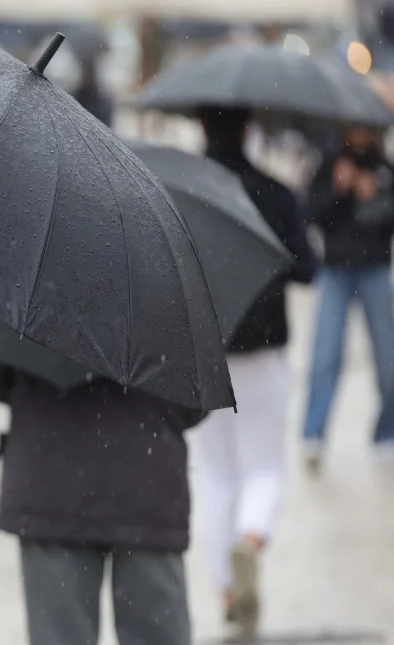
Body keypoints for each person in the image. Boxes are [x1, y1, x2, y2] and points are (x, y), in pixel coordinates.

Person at [194, 107, 318, 639]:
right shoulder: (275, 193)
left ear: (201, 128)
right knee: (264, 468)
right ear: (248, 129)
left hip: (203, 352)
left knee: (214, 475)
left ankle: (225, 588)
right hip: (263, 349)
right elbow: (308, 270)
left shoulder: (182, 193)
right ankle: (251, 539)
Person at [0, 368, 205, 645]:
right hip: (144, 480)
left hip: (51, 479)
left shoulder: (34, 327)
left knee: (59, 635)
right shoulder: (171, 328)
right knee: (156, 631)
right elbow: (198, 395)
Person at [302, 125, 394, 467]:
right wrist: (339, 189)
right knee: (325, 356)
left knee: (388, 360)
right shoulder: (329, 163)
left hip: (375, 271)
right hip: (336, 270)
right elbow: (312, 213)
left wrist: (374, 198)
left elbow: (388, 218)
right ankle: (313, 435)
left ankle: (387, 432)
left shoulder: (383, 167)